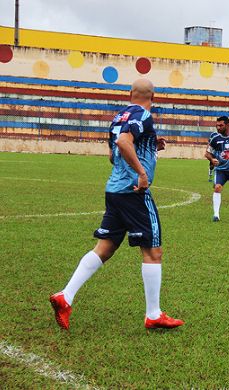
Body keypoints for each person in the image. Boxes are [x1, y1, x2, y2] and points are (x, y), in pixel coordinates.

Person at [49, 78, 184, 331]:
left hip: (114, 191)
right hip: (133, 192)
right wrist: (142, 173)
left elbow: (114, 155)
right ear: (154, 96)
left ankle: (65, 297)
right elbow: (123, 144)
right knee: (153, 252)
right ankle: (153, 314)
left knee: (105, 248)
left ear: (130, 93)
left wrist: (150, 146)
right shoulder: (143, 114)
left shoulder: (119, 116)